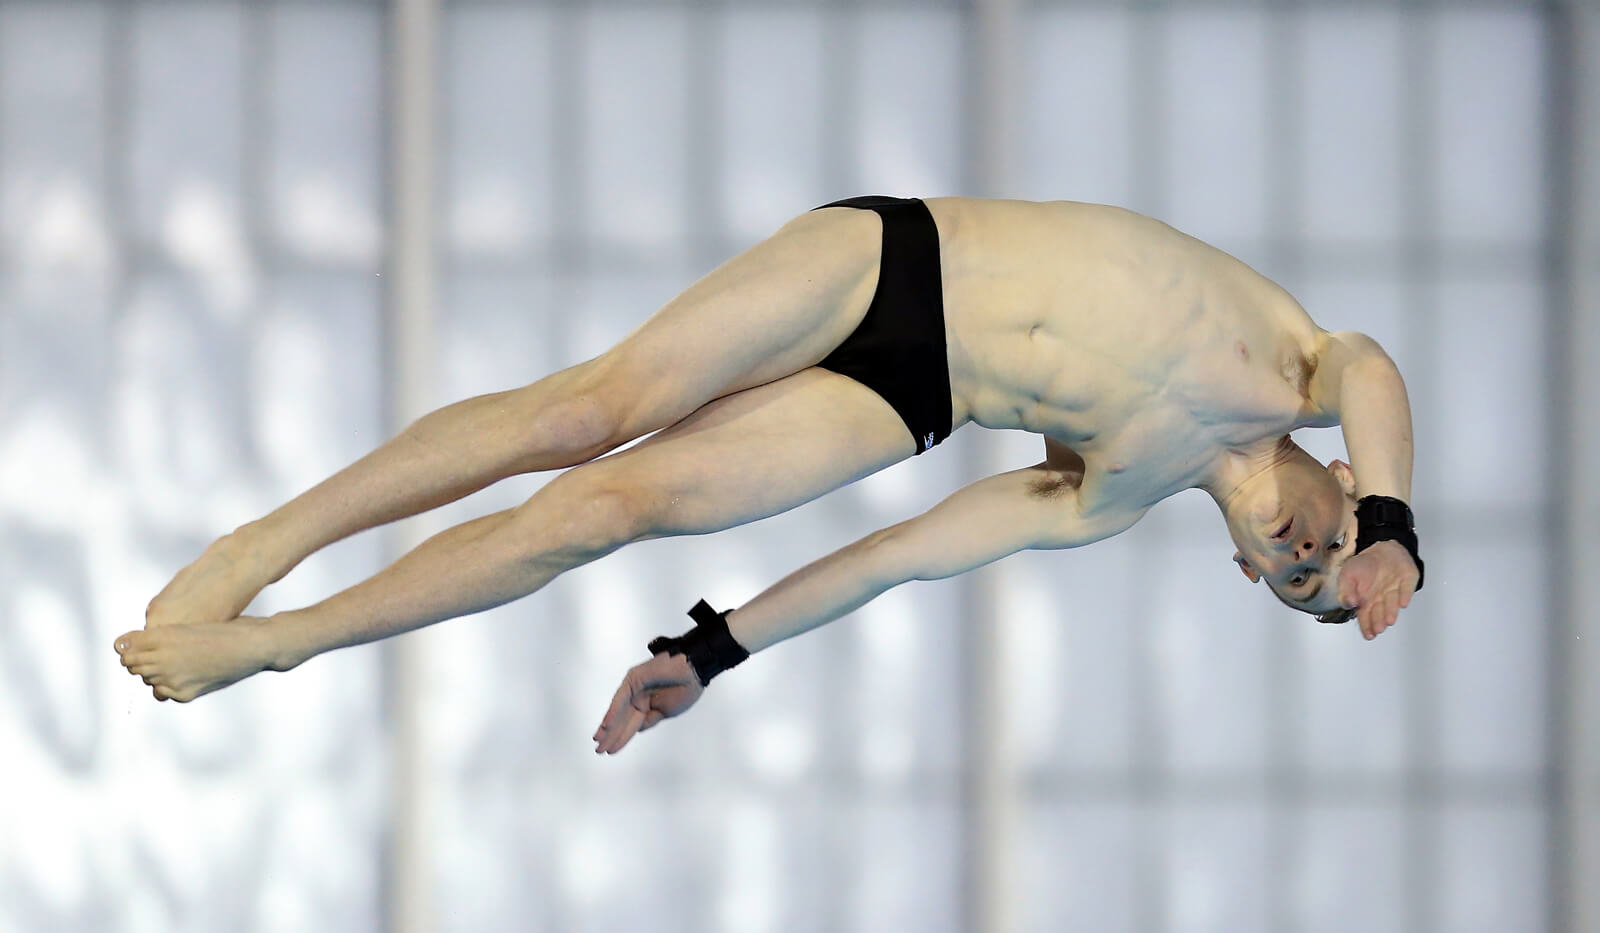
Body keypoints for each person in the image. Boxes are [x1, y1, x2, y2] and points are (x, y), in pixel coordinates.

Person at [113, 197, 1425, 752]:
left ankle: (281, 642)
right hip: (903, 259)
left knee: (606, 510)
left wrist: (717, 647)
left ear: (1245, 563)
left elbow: (900, 556)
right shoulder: (1295, 364)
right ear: (1340, 492)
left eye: (1292, 585)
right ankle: (264, 543)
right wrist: (1393, 531)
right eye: (1327, 557)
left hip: (917, 393)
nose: (1307, 562)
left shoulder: (1115, 494)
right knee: (593, 410)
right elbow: (1374, 372)